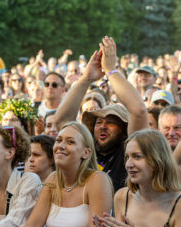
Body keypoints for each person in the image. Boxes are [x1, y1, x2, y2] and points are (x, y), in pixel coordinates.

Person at [55, 37, 148, 192]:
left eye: (111, 122)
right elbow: (62, 121)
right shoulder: (84, 150)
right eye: (98, 122)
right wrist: (86, 79)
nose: (103, 127)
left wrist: (111, 71)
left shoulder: (129, 153)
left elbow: (138, 111)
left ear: (124, 131)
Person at [17, 122, 113, 227]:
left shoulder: (98, 179)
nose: (61, 146)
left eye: (70, 142)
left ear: (86, 153)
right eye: (59, 140)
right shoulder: (53, 179)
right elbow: (33, 225)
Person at [93, 129, 181, 227]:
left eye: (137, 156)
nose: (129, 164)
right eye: (127, 157)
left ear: (157, 160)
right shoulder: (122, 196)